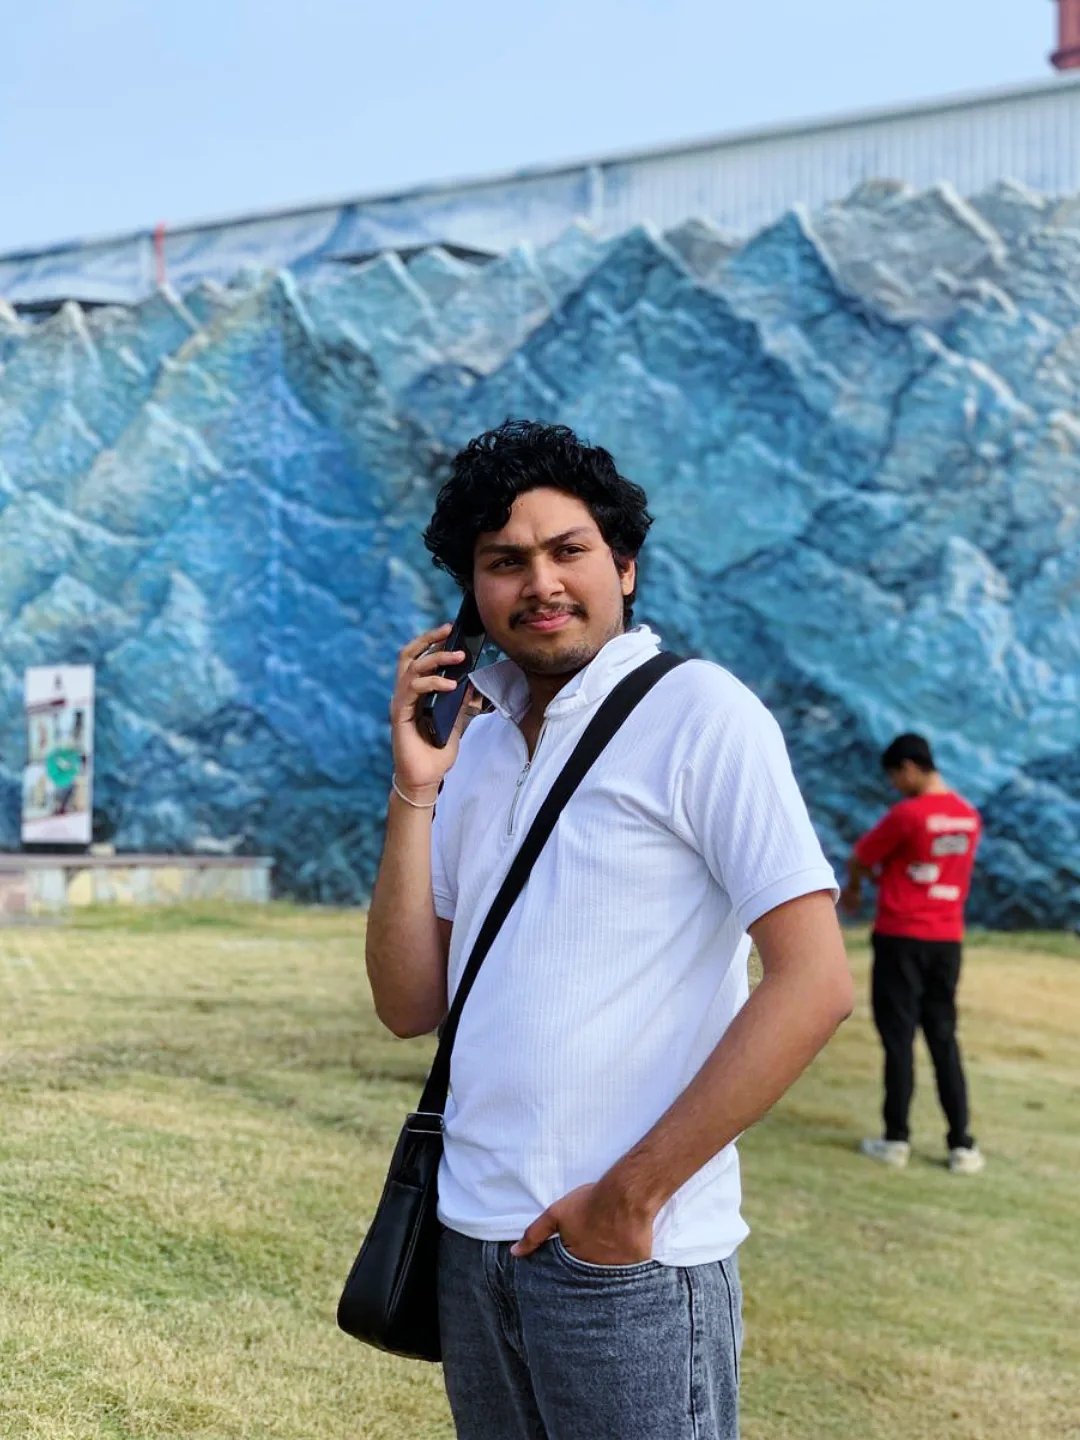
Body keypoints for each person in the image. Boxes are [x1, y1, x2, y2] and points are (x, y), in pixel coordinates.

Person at [366, 420, 853, 1440]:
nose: (540, 583)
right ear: (473, 595)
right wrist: (415, 786)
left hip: (625, 1258)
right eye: (505, 562)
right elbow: (409, 1003)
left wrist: (629, 1201)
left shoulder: (701, 713)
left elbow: (814, 980)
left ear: (623, 566)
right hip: (471, 1237)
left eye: (568, 550)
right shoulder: (474, 746)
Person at [842, 733, 984, 1175]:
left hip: (901, 935)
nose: (895, 786)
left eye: (894, 776)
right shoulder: (968, 817)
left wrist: (858, 887)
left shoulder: (907, 815)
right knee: (943, 1038)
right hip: (946, 939)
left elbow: (860, 857)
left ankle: (896, 1138)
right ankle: (961, 1144)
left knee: (898, 1038)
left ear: (908, 767)